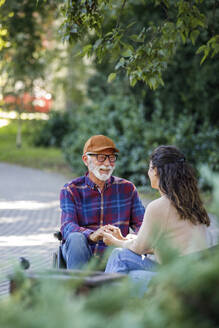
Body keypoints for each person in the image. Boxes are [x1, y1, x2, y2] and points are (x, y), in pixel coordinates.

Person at [103, 145, 210, 286]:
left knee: (120, 256)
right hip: (193, 275)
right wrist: (128, 239)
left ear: (156, 171)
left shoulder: (159, 207)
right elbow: (171, 246)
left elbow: (138, 248)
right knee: (125, 264)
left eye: (149, 168)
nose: (148, 173)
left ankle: (103, 303)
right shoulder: (192, 203)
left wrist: (115, 241)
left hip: (176, 279)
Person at [60, 134, 145, 269]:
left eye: (111, 158)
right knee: (75, 238)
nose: (107, 164)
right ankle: (80, 288)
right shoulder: (71, 189)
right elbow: (67, 226)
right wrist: (92, 235)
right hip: (83, 254)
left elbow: (143, 225)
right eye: (101, 157)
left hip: (116, 255)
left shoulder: (127, 188)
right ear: (85, 160)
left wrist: (128, 239)